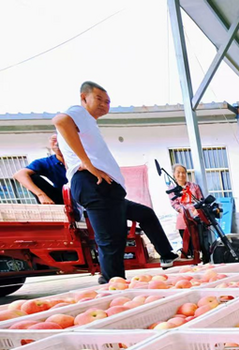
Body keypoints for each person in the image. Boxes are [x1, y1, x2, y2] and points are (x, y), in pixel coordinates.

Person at [53, 81, 179, 283]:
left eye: (108, 101)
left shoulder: (87, 123)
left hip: (107, 189)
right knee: (111, 241)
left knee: (144, 214)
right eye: (99, 99)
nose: (104, 104)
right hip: (95, 184)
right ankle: (112, 285)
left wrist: (80, 161)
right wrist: (86, 163)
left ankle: (166, 254)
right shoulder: (78, 112)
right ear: (84, 98)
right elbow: (60, 121)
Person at [13, 134, 66, 204]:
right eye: (54, 140)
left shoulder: (80, 158)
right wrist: (40, 195)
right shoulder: (47, 162)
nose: (57, 144)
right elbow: (19, 175)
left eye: (60, 140)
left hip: (81, 194)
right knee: (31, 177)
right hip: (62, 197)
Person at [169, 163, 205, 257]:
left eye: (183, 172)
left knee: (199, 241)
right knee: (188, 244)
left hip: (196, 216)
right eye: (178, 172)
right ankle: (192, 260)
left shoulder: (194, 186)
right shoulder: (172, 189)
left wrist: (196, 210)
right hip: (184, 218)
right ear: (174, 174)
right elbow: (174, 204)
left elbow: (200, 199)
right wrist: (185, 211)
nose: (181, 175)